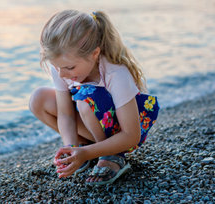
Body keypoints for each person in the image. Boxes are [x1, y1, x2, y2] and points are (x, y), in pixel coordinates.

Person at [29, 10, 159, 185]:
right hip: (93, 121)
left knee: (85, 101)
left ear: (94, 54)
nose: (62, 74)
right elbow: (65, 114)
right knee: (38, 99)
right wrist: (71, 147)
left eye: (69, 67)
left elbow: (131, 135)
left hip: (124, 131)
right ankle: (84, 149)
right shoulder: (63, 67)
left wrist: (90, 153)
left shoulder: (115, 72)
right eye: (56, 67)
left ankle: (111, 156)